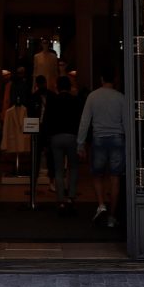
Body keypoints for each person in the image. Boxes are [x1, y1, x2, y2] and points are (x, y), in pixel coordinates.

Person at [76, 71, 125, 227]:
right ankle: (112, 216)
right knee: (115, 177)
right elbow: (126, 122)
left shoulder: (93, 96)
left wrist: (80, 143)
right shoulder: (120, 97)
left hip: (99, 138)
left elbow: (85, 121)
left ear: (101, 78)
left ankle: (101, 204)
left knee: (97, 175)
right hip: (117, 138)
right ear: (115, 80)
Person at [41, 75, 82, 213]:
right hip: (72, 137)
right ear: (69, 87)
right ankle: (71, 197)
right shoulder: (76, 100)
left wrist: (46, 141)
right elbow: (80, 121)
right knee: (73, 168)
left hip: (56, 137)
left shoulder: (52, 100)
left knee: (58, 170)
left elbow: (46, 121)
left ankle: (60, 200)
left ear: (57, 87)